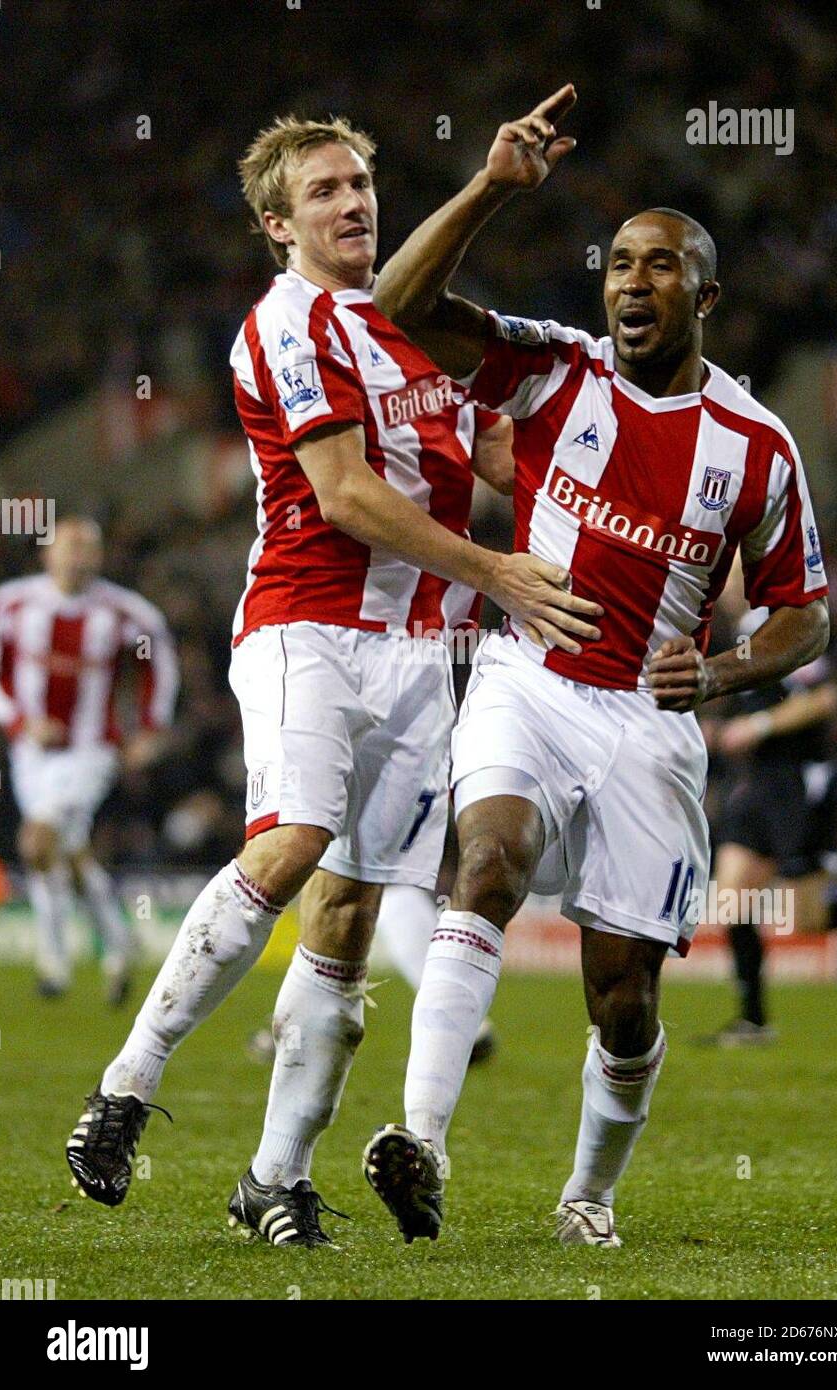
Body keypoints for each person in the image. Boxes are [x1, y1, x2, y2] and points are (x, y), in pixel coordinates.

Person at [65, 115, 597, 1246]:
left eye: (361, 183)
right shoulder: (285, 326)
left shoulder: (426, 333)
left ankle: (272, 1179)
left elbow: (513, 465)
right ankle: (125, 1083)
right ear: (277, 225)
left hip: (421, 654)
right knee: (295, 836)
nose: (353, 203)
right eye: (324, 192)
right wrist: (500, 571)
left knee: (348, 920)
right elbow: (348, 497)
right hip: (306, 623)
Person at [358, 84, 829, 1249]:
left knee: (622, 1000)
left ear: (705, 294)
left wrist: (719, 675)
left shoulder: (757, 448)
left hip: (644, 722)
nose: (631, 281)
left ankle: (588, 1196)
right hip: (527, 674)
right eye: (619, 262)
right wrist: (489, 184)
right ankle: (420, 1136)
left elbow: (802, 617)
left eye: (660, 265)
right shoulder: (553, 370)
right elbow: (398, 302)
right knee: (490, 859)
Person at [698, 559, 837, 1045]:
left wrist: (758, 727)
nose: (725, 576)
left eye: (736, 567)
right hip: (757, 786)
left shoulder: (777, 625)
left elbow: (824, 699)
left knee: (809, 918)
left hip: (797, 784)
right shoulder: (740, 629)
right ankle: (754, 1020)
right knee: (733, 898)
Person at [0, 517, 178, 1004]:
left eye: (88, 548)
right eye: (69, 547)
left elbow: (157, 663)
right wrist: (17, 723)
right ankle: (119, 944)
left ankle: (53, 964)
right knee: (66, 854)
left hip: (91, 750)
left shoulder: (124, 612)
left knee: (37, 841)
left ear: (99, 557)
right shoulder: (13, 603)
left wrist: (151, 729)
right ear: (47, 554)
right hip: (30, 753)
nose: (78, 556)